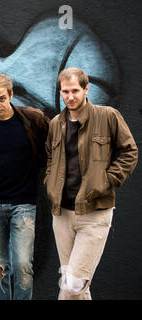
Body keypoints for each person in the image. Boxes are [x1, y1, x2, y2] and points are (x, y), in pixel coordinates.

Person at [45, 67, 138, 300]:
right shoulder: (56, 123)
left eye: (75, 90)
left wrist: (107, 181)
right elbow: (50, 158)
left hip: (95, 212)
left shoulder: (107, 116)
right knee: (73, 283)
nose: (70, 97)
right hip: (62, 214)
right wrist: (50, 183)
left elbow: (129, 152)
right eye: (65, 92)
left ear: (86, 89)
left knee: (74, 284)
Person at [0, 74, 50, 300]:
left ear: (11, 95)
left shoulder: (33, 119)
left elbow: (55, 146)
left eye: (2, 98)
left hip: (24, 204)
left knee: (23, 265)